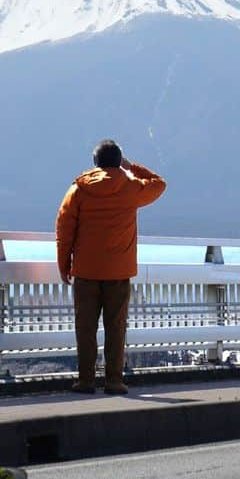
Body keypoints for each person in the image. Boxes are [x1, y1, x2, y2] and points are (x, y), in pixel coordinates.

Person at [55, 139, 167, 395]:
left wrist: (64, 265)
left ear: (95, 163)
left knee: (85, 327)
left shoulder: (79, 189)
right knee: (116, 327)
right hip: (119, 272)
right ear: (119, 161)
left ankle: (85, 381)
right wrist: (131, 166)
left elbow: (64, 229)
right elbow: (160, 184)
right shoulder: (131, 187)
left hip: (85, 271)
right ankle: (114, 381)